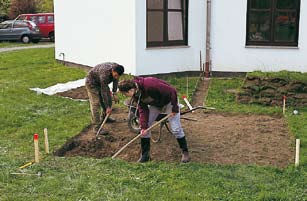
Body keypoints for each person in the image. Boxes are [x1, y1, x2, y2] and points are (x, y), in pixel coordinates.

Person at [118, 77, 190, 163]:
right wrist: (144, 127)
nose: (125, 96)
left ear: (130, 90)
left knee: (176, 129)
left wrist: (174, 108)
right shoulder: (136, 95)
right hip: (156, 105)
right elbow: (143, 109)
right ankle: (145, 155)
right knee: (144, 129)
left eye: (125, 94)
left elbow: (172, 91)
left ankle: (185, 152)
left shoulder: (150, 85)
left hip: (169, 102)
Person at [85, 62, 124, 135]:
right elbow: (104, 92)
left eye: (118, 76)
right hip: (92, 84)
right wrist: (107, 107)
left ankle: (105, 118)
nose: (116, 77)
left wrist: (114, 93)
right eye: (115, 75)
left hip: (101, 83)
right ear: (113, 71)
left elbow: (116, 81)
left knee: (109, 100)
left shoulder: (117, 69)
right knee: (96, 104)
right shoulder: (105, 74)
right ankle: (96, 127)